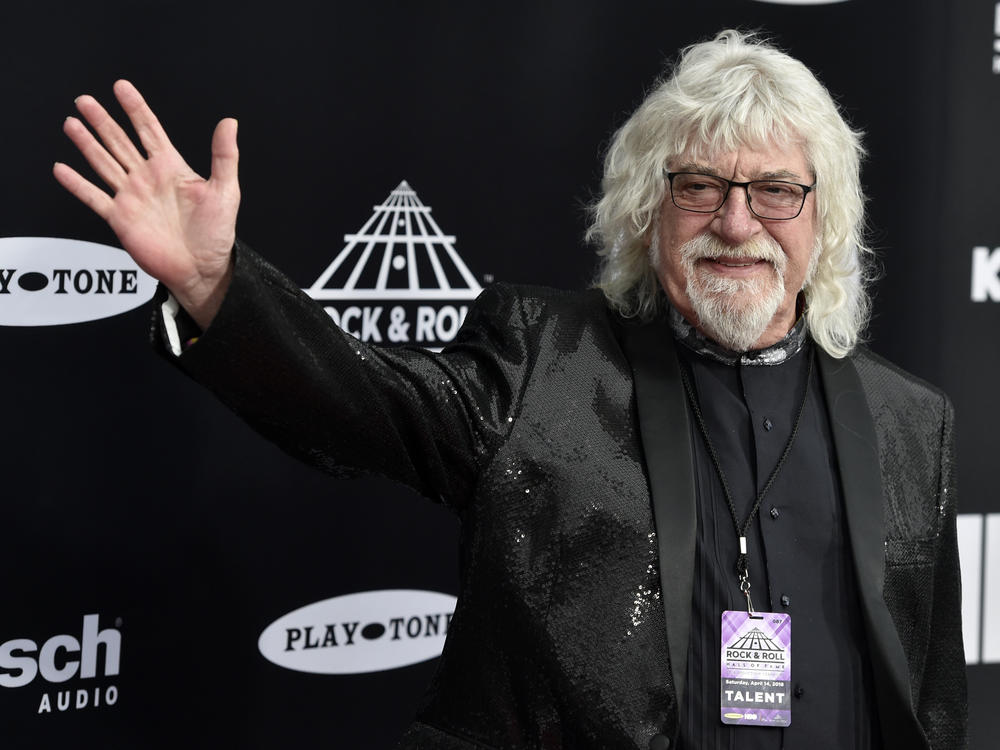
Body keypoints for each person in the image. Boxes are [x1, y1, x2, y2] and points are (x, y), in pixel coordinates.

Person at [53, 29, 966, 750]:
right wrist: (217, 288)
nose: (736, 222)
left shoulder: (910, 423)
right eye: (700, 187)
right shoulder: (546, 357)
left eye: (775, 192)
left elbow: (931, 700)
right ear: (649, 212)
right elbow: (369, 404)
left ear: (824, 219)